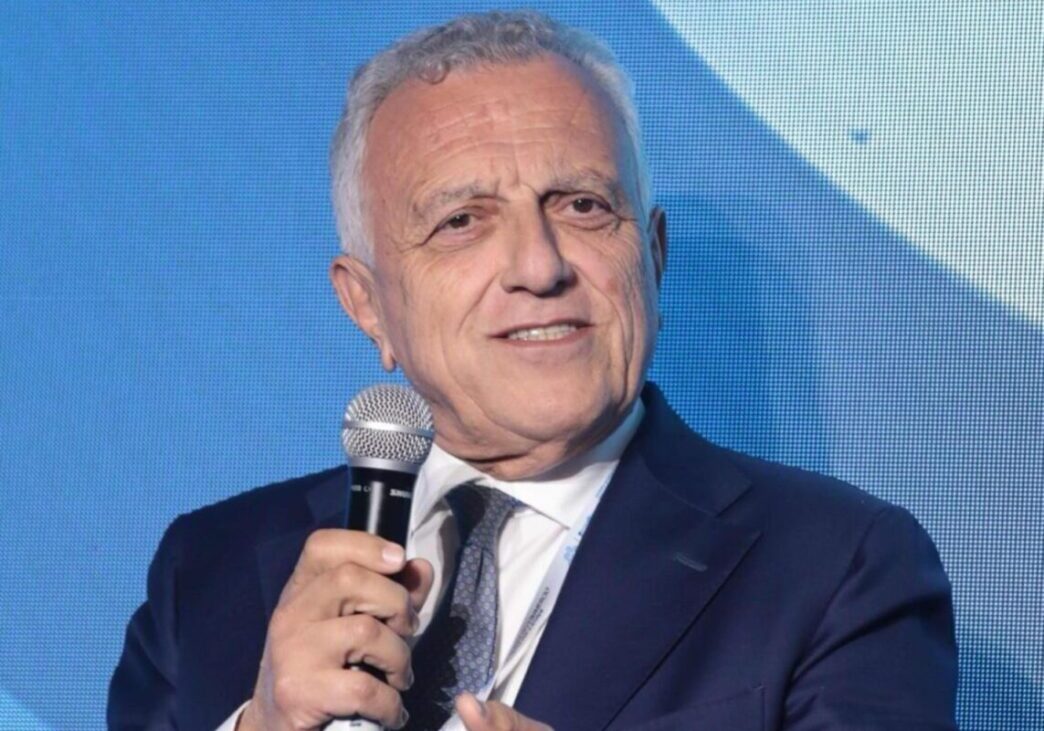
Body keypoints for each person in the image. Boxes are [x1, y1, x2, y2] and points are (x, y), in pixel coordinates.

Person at [108, 11, 957, 731]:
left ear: (652, 256)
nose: (540, 266)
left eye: (583, 206)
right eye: (462, 221)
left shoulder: (837, 569)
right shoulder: (207, 570)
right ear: (367, 304)